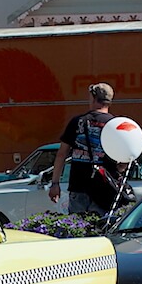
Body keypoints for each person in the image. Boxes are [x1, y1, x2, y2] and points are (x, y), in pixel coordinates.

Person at [49, 82, 124, 216]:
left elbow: (61, 154)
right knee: (102, 229)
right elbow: (124, 160)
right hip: (105, 188)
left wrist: (55, 183)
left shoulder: (77, 122)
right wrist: (117, 169)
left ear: (93, 98)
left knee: (79, 228)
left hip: (79, 185)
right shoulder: (116, 125)